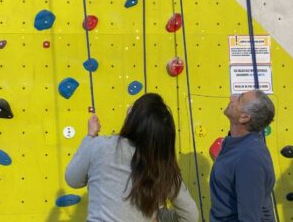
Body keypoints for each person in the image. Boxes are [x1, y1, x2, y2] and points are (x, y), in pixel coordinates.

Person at [65, 93, 199, 222]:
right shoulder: (163, 165)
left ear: (133, 120)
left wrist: (90, 137)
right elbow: (190, 216)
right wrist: (160, 217)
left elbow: (72, 179)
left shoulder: (101, 146)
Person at [209, 90, 276, 222]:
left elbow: (250, 217)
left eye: (239, 98)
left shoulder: (250, 158)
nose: (231, 97)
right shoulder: (236, 144)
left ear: (244, 117)